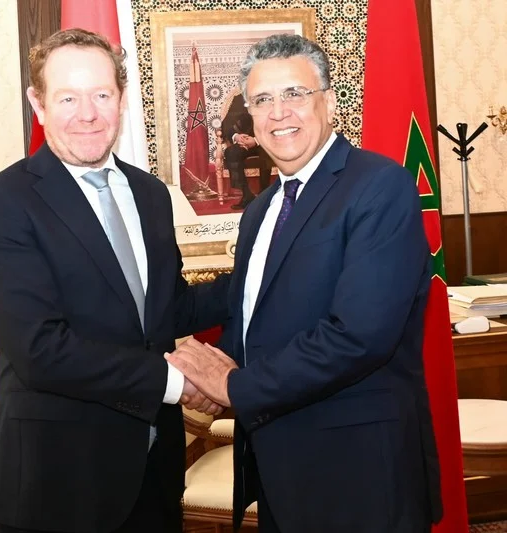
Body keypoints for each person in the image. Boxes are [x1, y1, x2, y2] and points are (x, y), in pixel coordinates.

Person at [167, 34, 443, 533]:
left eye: (294, 93)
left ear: (329, 103)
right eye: (262, 100)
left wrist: (233, 385)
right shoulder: (261, 210)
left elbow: (359, 335)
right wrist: (209, 373)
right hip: (280, 465)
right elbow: (253, 310)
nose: (279, 113)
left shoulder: (379, 186)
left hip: (358, 470)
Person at [0, 28, 229, 533]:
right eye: (68, 97)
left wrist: (259, 278)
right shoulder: (2, 203)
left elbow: (167, 310)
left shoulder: (150, 194)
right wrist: (179, 384)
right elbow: (40, 351)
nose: (87, 114)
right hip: (58, 479)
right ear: (38, 104)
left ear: (122, 99)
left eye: (102, 95)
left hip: (154, 470)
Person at [220, 91, 273, 209]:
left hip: (266, 142)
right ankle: (246, 195)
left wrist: (256, 140)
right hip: (244, 142)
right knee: (231, 152)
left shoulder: (271, 96)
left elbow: (276, 124)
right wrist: (237, 137)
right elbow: (227, 124)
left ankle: (265, 196)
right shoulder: (238, 98)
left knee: (266, 154)